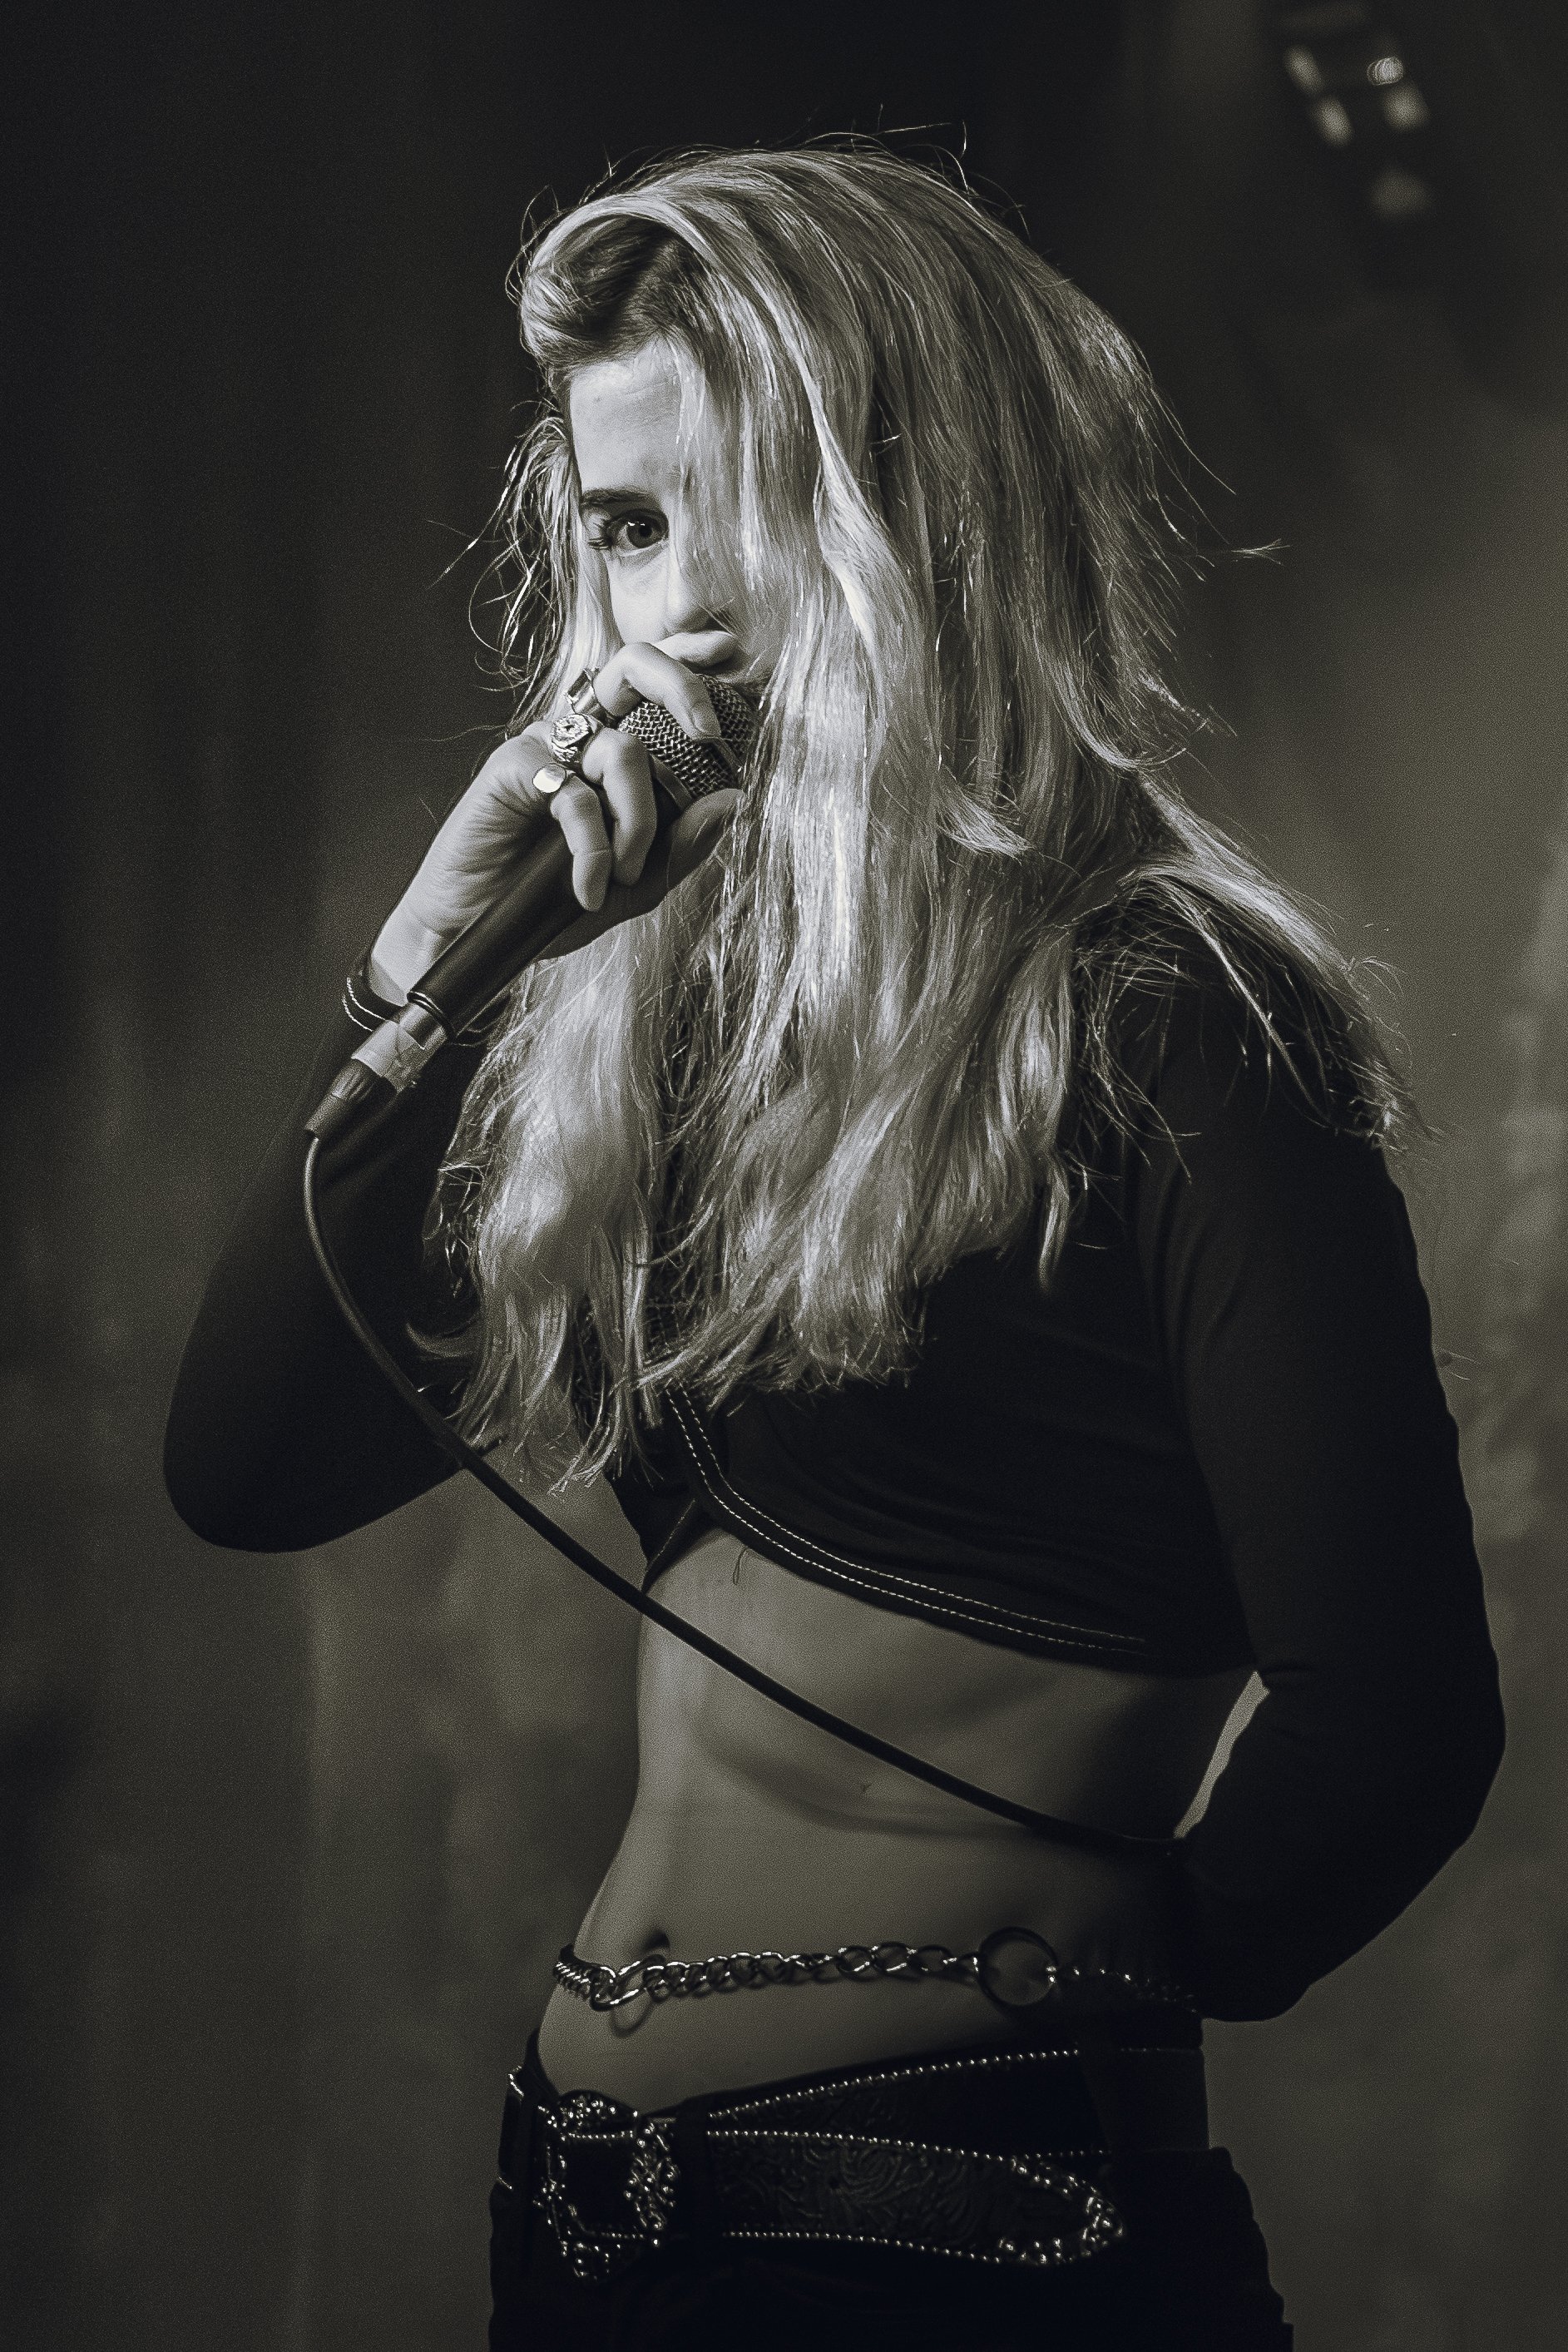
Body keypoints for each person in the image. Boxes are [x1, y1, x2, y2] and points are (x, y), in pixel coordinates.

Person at [164, 147, 1505, 2350]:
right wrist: (435, 967)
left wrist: (1074, 1996)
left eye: (737, 508)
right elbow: (246, 1464)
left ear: (917, 517)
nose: (669, 607)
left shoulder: (1167, 1013)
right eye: (620, 525)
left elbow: (1402, 1713)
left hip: (962, 2228)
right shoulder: (633, 1012)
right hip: (592, 2221)